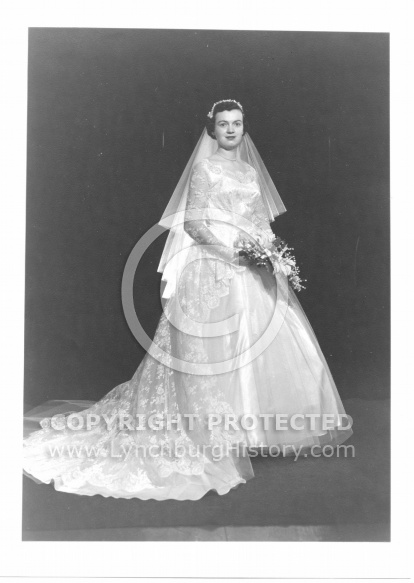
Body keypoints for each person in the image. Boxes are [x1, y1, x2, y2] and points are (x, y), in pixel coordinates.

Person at [23, 99, 353, 501]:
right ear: (212, 130)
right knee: (215, 347)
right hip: (214, 262)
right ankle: (216, 433)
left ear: (244, 128)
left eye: (236, 123)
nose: (230, 130)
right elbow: (194, 222)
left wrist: (269, 253)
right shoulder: (204, 169)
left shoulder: (250, 172)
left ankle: (255, 431)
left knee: (266, 338)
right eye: (223, 124)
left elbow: (258, 220)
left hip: (252, 262)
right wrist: (231, 251)